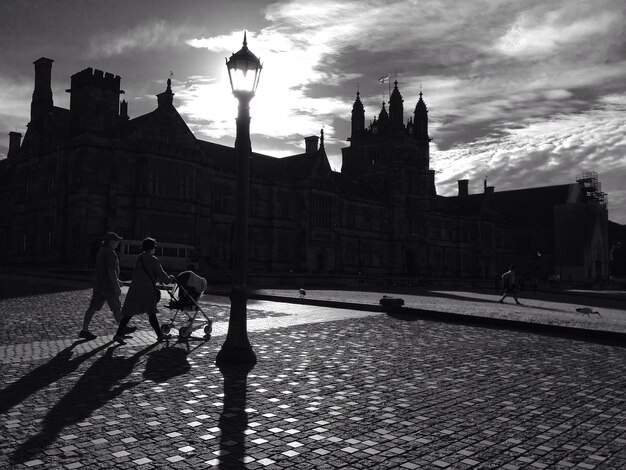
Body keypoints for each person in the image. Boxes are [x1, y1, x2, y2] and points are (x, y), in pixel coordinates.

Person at [113, 237, 175, 344]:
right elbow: (163, 276)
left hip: (135, 288)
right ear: (152, 248)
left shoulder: (140, 258)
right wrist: (170, 279)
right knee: (151, 312)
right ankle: (160, 335)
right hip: (147, 290)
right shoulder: (153, 259)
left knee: (129, 312)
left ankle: (118, 334)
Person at [79, 232, 136, 340]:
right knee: (117, 308)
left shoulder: (101, 251)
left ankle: (84, 330)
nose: (118, 243)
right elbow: (111, 271)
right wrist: (116, 286)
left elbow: (104, 270)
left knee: (92, 307)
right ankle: (123, 328)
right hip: (108, 286)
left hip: (99, 284)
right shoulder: (110, 253)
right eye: (116, 241)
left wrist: (117, 280)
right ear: (111, 242)